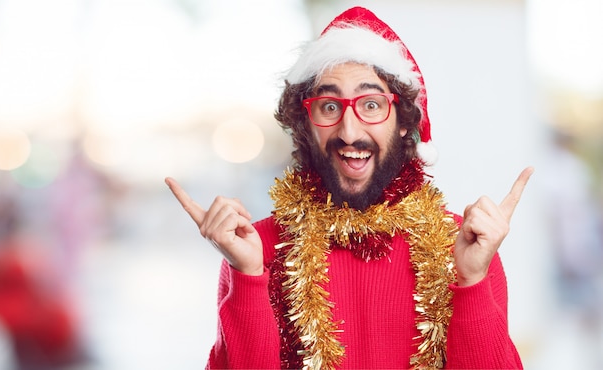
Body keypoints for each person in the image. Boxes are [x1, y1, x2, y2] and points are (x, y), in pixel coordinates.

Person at [166, 7, 532, 369]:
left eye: (371, 104)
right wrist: (246, 277)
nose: (350, 132)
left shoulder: (465, 247)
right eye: (328, 106)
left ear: (404, 122)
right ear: (305, 125)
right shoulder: (253, 248)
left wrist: (472, 283)